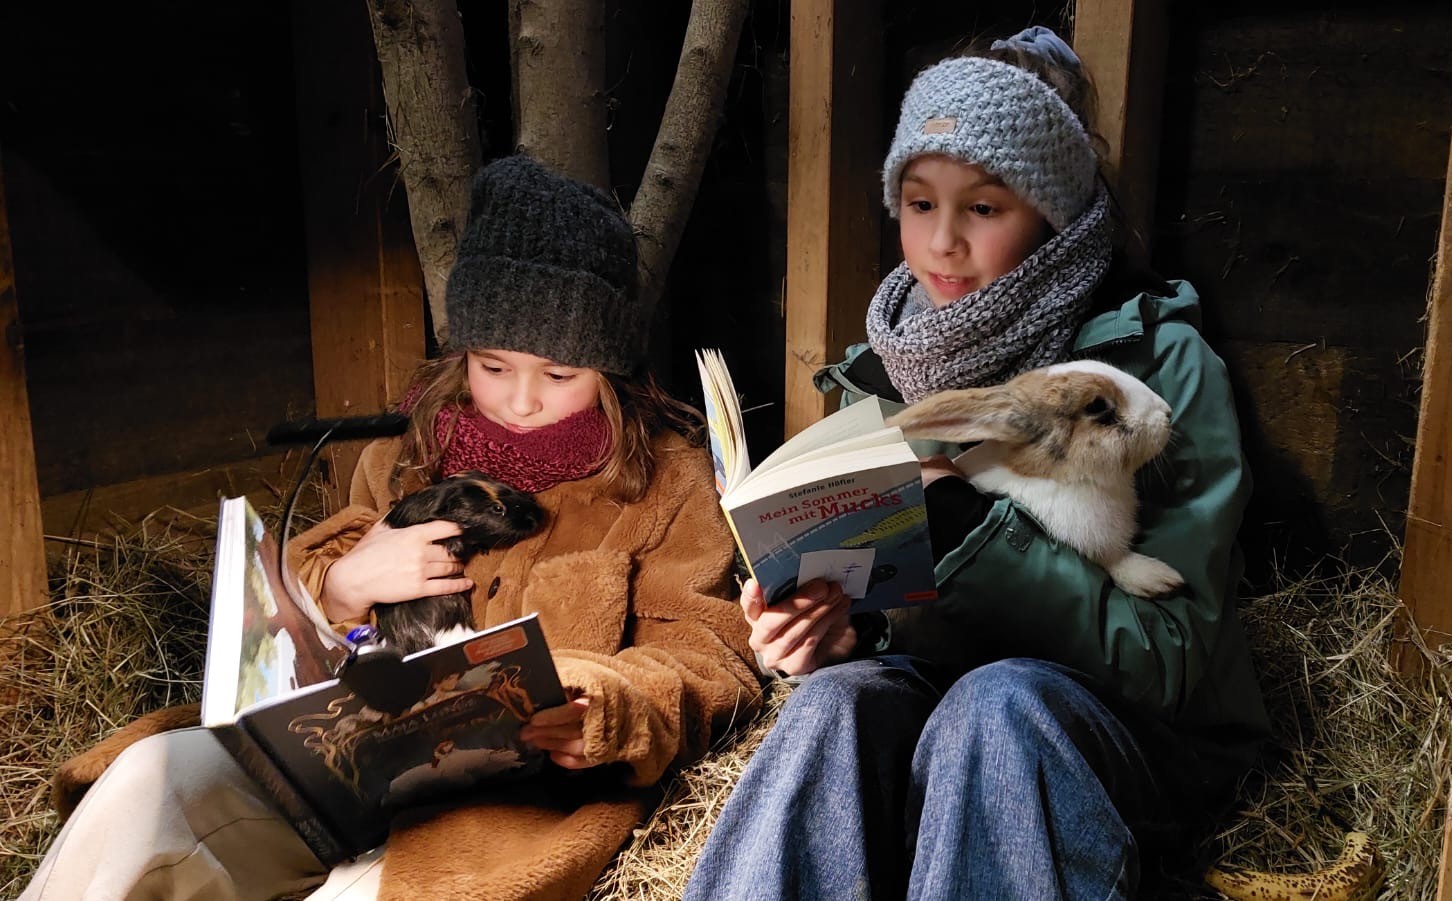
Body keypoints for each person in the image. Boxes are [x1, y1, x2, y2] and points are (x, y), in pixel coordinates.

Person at [24, 155, 761, 901]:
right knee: (150, 784)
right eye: (493, 366)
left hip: (510, 807)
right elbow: (293, 600)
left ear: (611, 368)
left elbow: (711, 657)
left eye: (560, 374)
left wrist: (608, 703)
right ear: (462, 354)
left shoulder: (666, 482)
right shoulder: (404, 455)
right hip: (339, 772)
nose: (522, 400)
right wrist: (342, 587)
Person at [684, 26, 1271, 901]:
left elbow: (1171, 664)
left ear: (1053, 214)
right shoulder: (885, 376)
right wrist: (839, 636)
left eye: (985, 208)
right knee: (834, 707)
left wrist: (967, 529)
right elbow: (884, 623)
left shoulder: (1156, 370)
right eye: (919, 203)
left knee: (997, 704)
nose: (942, 243)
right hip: (943, 716)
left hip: (1118, 734)